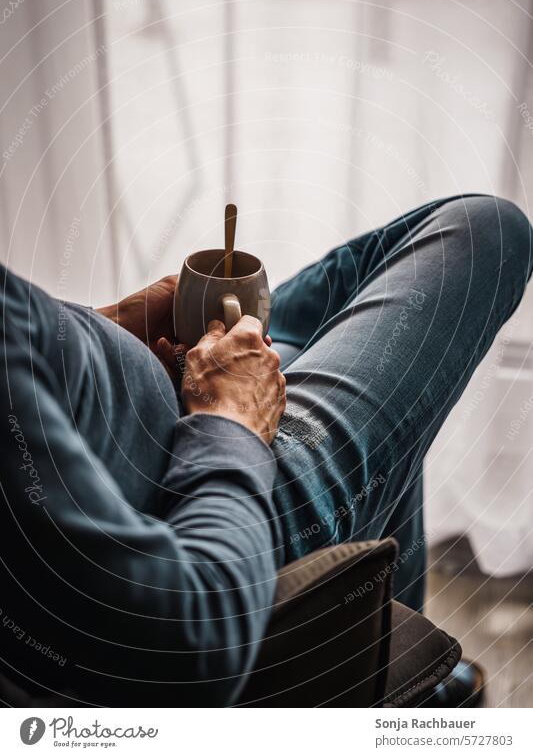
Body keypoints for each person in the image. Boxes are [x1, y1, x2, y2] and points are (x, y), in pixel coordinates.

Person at [1, 194, 531, 707]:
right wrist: (232, 420)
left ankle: (396, 658)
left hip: (180, 421)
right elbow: (189, 639)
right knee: (487, 229)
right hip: (212, 507)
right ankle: (407, 680)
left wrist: (89, 332)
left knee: (364, 304)